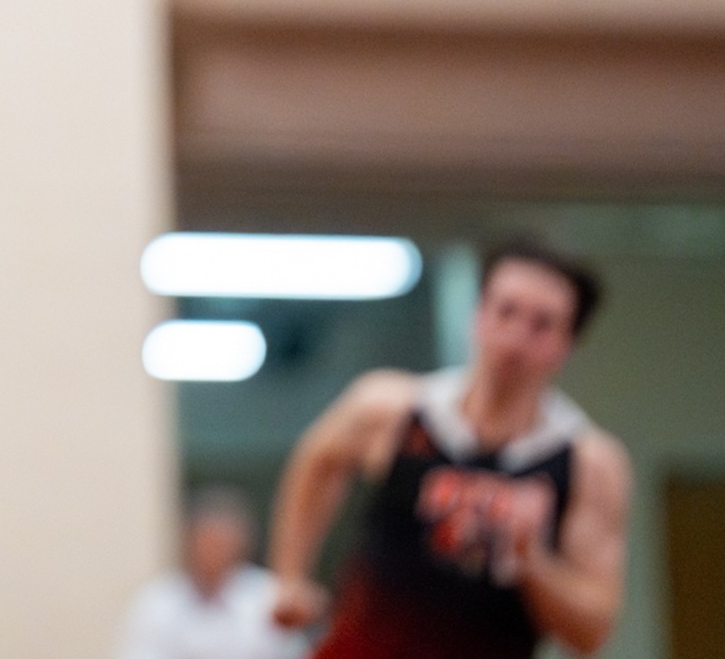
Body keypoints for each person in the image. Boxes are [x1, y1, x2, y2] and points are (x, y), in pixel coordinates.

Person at [268, 240, 633, 659]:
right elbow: (318, 458)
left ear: (567, 345)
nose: (515, 338)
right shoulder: (394, 409)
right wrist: (289, 575)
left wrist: (531, 563)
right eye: (506, 311)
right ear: (477, 316)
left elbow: (591, 632)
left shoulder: (588, 463)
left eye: (541, 324)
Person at [115, 486, 309, 659]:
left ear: (242, 543)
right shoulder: (156, 601)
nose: (213, 550)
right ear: (188, 542)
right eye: (206, 540)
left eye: (221, 541)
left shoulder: (269, 596)